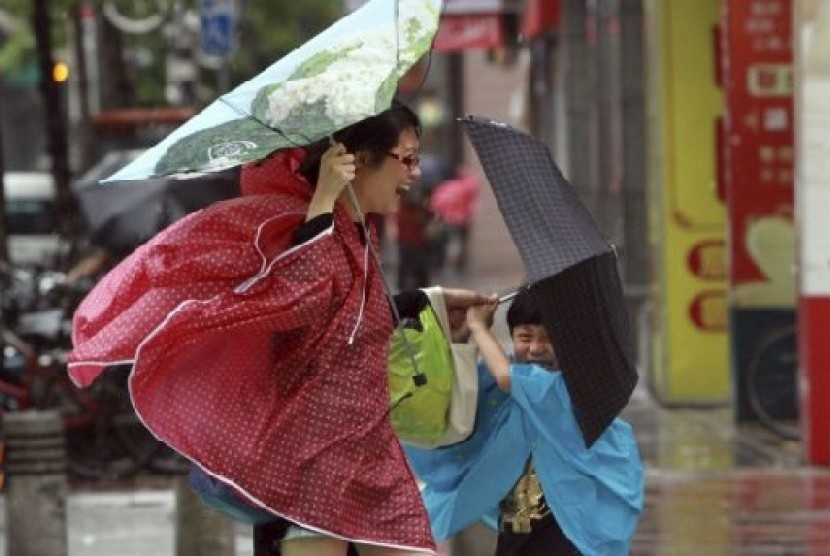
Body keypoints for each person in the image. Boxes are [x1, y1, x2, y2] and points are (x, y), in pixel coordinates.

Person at [67, 100, 491, 556]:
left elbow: (345, 327)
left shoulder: (357, 231)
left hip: (368, 457)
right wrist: (325, 200)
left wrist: (428, 303)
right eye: (406, 158)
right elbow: (297, 304)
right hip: (309, 468)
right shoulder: (297, 228)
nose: (414, 174)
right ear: (356, 161)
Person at [404, 287, 645, 555]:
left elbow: (506, 378)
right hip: (517, 528)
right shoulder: (503, 383)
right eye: (525, 336)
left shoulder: (571, 388)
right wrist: (462, 339)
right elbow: (457, 397)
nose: (536, 348)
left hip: (571, 533)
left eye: (550, 338)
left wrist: (479, 327)